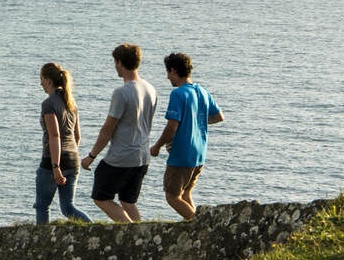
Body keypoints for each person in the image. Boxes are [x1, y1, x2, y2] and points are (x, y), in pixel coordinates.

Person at [82, 42, 158, 222]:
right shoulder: (150, 89)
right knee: (128, 200)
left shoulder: (122, 93)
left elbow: (107, 129)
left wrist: (91, 156)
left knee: (101, 197)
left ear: (119, 63)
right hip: (142, 156)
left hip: (122, 157)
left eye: (115, 62)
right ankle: (141, 236)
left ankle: (130, 231)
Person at [150, 52, 224, 219]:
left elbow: (172, 127)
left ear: (174, 71)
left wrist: (157, 146)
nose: (167, 77)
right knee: (185, 194)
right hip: (199, 154)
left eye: (168, 72)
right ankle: (199, 225)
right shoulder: (202, 91)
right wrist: (195, 123)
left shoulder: (178, 94)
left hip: (182, 154)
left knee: (172, 196)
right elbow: (218, 116)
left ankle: (201, 228)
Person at [35, 62, 91, 223]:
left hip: (52, 161)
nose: (40, 83)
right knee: (68, 207)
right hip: (73, 158)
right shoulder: (71, 103)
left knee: (42, 206)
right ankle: (93, 229)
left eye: (42, 79)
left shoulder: (48, 104)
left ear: (49, 81)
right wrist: (69, 157)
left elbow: (54, 136)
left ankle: (41, 244)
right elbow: (77, 136)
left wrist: (56, 167)